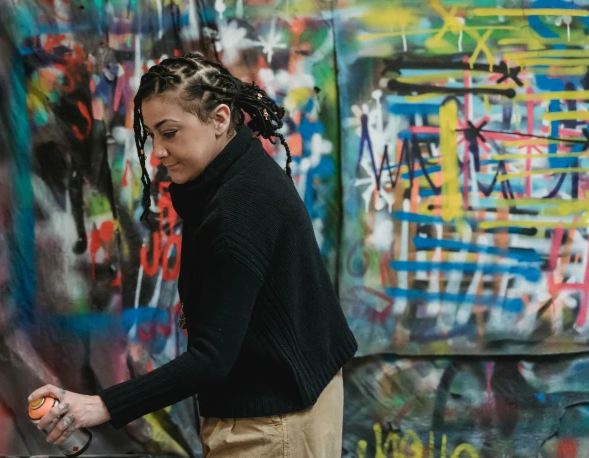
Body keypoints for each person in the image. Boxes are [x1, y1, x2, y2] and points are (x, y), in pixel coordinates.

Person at [28, 53, 358, 457]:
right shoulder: (237, 173)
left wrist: (100, 405)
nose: (158, 152)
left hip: (274, 424)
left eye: (170, 132)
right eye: (151, 135)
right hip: (289, 400)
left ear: (220, 119)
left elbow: (212, 358)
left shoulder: (237, 207)